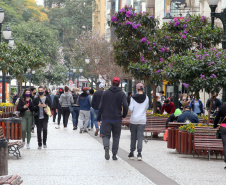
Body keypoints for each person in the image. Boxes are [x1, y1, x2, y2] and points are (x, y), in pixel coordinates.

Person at [97, 77, 128, 161]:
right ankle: (114, 154)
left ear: (111, 83)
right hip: (117, 118)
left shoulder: (105, 92)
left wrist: (98, 118)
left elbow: (101, 106)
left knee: (106, 135)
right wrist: (123, 115)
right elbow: (125, 105)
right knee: (116, 137)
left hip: (106, 118)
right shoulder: (122, 93)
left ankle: (106, 146)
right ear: (119, 83)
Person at [128, 83, 149, 161]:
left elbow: (131, 109)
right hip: (142, 120)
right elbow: (146, 107)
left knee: (133, 137)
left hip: (134, 120)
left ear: (136, 89)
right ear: (143, 89)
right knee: (140, 137)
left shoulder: (133, 98)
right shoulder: (146, 97)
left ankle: (131, 153)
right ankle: (139, 154)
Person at [214, 104, 226, 169]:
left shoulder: (223, 107)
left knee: (225, 145)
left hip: (224, 127)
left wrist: (215, 125)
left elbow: (217, 117)